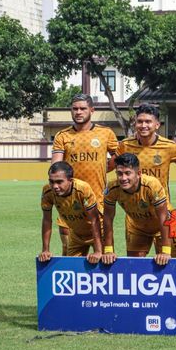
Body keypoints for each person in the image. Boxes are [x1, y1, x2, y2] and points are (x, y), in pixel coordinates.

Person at [114, 104, 176, 257]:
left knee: (168, 265)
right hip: (136, 218)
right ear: (135, 123)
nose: (143, 125)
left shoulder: (170, 147)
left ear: (157, 124)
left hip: (164, 214)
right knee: (135, 266)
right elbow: (108, 168)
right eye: (140, 121)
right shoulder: (125, 146)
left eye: (148, 122)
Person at [51, 93, 118, 255]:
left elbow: (119, 158)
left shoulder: (106, 133)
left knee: (103, 256)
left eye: (82, 109)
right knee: (68, 254)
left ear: (92, 110)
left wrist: (104, 168)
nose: (78, 112)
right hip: (69, 205)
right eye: (75, 109)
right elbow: (56, 166)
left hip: (98, 202)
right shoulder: (62, 136)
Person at [101, 153, 173, 266]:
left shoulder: (152, 185)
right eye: (119, 174)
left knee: (168, 265)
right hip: (137, 226)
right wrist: (109, 250)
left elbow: (163, 218)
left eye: (127, 173)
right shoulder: (112, 188)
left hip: (164, 226)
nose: (123, 178)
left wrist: (166, 251)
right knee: (134, 265)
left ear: (138, 173)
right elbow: (108, 218)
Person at [39, 162, 103, 264]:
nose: (55, 186)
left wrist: (98, 251)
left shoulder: (82, 189)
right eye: (51, 181)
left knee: (104, 265)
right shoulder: (47, 191)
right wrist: (45, 250)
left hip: (99, 232)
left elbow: (95, 220)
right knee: (71, 267)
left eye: (59, 182)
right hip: (76, 235)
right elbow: (47, 220)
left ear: (70, 180)